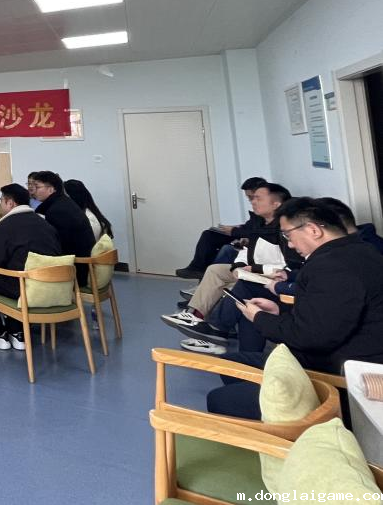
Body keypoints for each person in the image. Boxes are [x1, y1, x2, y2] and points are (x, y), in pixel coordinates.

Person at [207, 197, 383, 419]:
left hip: (340, 375)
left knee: (219, 398)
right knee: (231, 364)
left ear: (313, 230)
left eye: (288, 235)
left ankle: (288, 430)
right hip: (334, 355)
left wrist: (260, 318)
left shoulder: (332, 266)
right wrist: (279, 312)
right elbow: (327, 316)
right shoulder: (362, 252)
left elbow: (309, 337)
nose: (289, 244)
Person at [163, 182, 293, 341]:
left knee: (236, 275)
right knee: (216, 270)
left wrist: (255, 269)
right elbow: (247, 250)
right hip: (252, 270)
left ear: (276, 204)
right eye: (252, 198)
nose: (253, 202)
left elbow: (287, 267)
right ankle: (194, 315)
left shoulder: (284, 229)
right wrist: (239, 266)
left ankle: (216, 328)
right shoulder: (259, 223)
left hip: (270, 275)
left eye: (258, 198)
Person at [0, 184, 62, 352]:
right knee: (14, 276)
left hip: (25, 288)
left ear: (10, 203)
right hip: (55, 287)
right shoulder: (44, 223)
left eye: (0, 201)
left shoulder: (6, 225)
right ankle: (18, 332)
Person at [177, 176, 267, 279]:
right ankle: (197, 268)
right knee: (209, 235)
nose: (250, 201)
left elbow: (262, 232)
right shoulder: (259, 209)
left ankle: (207, 278)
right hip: (247, 237)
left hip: (256, 245)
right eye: (249, 198)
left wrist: (235, 231)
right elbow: (252, 226)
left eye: (251, 197)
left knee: (226, 249)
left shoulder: (270, 210)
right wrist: (238, 227)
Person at [28, 171, 93, 284]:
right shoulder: (63, 203)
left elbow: (56, 246)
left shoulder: (57, 211)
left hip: (74, 271)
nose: (33, 190)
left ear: (51, 189)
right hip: (81, 265)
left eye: (37, 187)